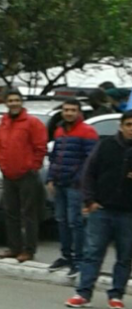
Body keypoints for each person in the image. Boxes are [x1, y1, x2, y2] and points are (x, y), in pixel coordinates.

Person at [65, 111, 132, 309]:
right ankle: (83, 293)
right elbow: (89, 173)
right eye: (128, 124)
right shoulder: (105, 146)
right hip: (101, 209)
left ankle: (116, 295)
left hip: (128, 214)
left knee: (125, 256)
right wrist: (90, 200)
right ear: (121, 126)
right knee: (92, 253)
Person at [46, 99, 98, 277]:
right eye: (66, 110)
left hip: (75, 186)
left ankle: (79, 260)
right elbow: (54, 156)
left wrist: (78, 180)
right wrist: (50, 178)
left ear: (78, 112)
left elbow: (91, 162)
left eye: (72, 110)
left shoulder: (87, 132)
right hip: (59, 184)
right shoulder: (59, 130)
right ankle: (65, 256)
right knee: (61, 221)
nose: (68, 113)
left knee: (76, 223)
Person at [0, 90, 48, 263]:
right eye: (10, 100)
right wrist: (2, 165)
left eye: (17, 100)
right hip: (8, 174)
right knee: (11, 213)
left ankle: (29, 249)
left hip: (27, 175)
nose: (14, 103)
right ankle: (14, 247)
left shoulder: (32, 122)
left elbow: (40, 147)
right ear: (6, 103)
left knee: (29, 214)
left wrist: (32, 166)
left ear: (21, 102)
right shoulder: (3, 122)